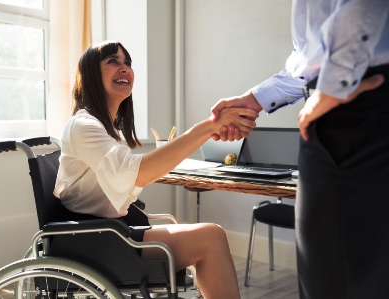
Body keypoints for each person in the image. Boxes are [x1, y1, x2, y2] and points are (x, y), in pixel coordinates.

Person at [210, 1, 389, 298]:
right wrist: (255, 99)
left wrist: (331, 88)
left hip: (355, 107)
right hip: (348, 102)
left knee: (341, 277)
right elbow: (308, 60)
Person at [53, 40, 259, 299]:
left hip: (110, 232)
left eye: (127, 62)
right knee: (212, 237)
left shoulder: (104, 128)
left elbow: (130, 174)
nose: (124, 68)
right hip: (96, 241)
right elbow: (135, 173)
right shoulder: (84, 126)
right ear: (92, 74)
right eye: (113, 61)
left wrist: (210, 129)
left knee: (209, 236)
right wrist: (208, 128)